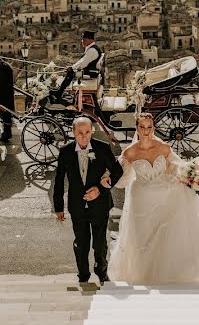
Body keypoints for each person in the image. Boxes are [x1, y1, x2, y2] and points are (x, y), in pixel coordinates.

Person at [107, 113, 199, 284]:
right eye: (142, 127)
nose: (146, 131)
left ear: (153, 128)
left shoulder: (163, 147)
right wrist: (105, 178)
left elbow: (178, 168)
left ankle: (164, 274)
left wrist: (194, 174)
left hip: (163, 196)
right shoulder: (129, 152)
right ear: (137, 128)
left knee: (163, 235)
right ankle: (142, 274)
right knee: (142, 237)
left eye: (149, 127)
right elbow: (120, 177)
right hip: (141, 199)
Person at [53, 116, 124, 283]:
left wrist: (100, 189)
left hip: (99, 204)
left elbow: (117, 171)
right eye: (80, 133)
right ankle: (83, 274)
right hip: (77, 205)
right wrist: (58, 206)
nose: (84, 136)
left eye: (87, 132)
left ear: (91, 132)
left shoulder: (103, 148)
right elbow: (59, 179)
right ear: (73, 133)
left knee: (99, 243)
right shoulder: (65, 151)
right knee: (81, 242)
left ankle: (101, 271)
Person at [49, 30, 102, 105]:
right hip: (91, 72)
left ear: (90, 40)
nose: (82, 41)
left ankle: (59, 93)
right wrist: (73, 67)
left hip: (90, 73)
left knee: (71, 73)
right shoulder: (92, 49)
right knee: (72, 71)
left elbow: (83, 63)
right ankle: (59, 92)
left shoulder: (92, 50)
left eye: (84, 40)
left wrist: (72, 68)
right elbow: (82, 61)